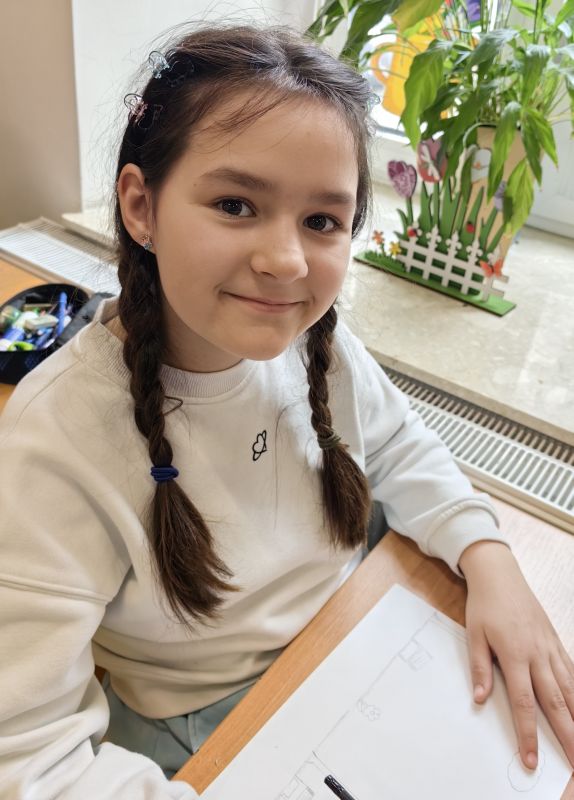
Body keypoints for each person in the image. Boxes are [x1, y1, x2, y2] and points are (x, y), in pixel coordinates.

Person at [0, 21, 572, 800]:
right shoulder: (56, 443)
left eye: (322, 221)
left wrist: (489, 557)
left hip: (357, 629)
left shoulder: (316, 343)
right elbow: (27, 754)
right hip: (200, 713)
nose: (286, 261)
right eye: (236, 204)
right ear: (140, 206)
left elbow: (401, 446)